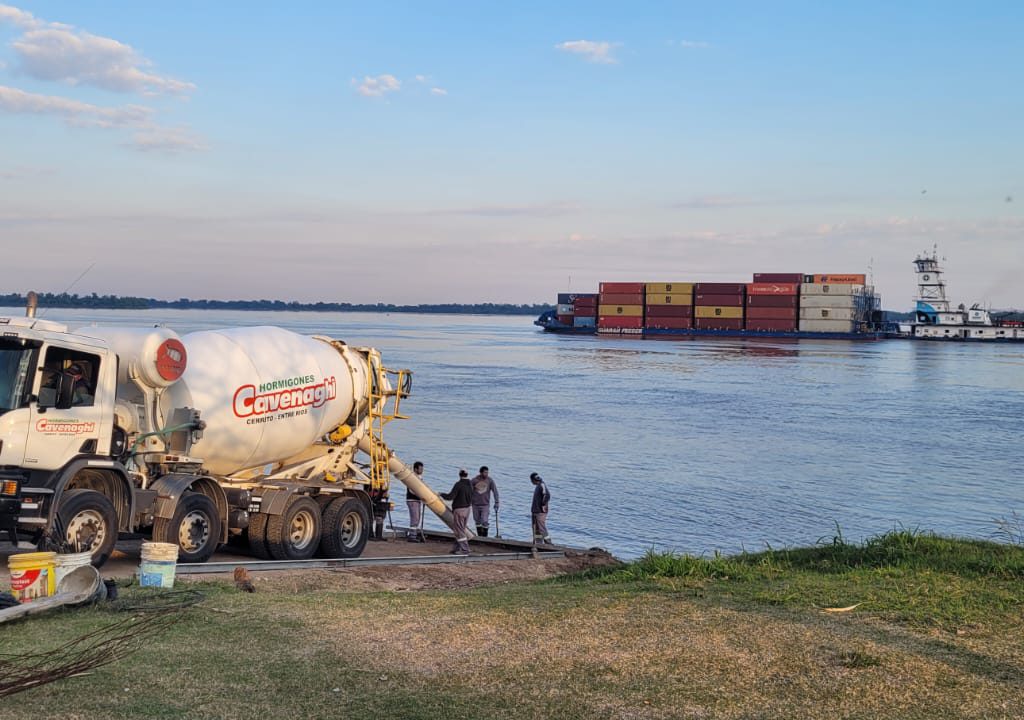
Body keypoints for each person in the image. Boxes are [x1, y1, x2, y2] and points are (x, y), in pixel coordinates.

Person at [440, 468, 473, 555]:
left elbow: (450, 496)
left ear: (459, 475)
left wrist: (441, 494)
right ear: (467, 474)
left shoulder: (458, 484)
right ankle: (456, 548)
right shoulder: (470, 485)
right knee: (461, 528)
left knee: (459, 530)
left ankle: (465, 549)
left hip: (459, 510)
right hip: (468, 509)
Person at [470, 466, 499, 537]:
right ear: (481, 472)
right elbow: (468, 491)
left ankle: (485, 537)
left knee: (484, 521)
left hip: (485, 505)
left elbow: (495, 491)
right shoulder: (474, 480)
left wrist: (497, 502)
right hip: (475, 504)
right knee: (477, 521)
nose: (486, 474)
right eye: (485, 472)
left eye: (487, 472)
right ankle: (480, 537)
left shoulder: (490, 481)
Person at [406, 461, 426, 543]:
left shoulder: (419, 478)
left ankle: (414, 534)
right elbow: (412, 491)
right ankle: (412, 536)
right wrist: (421, 496)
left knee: (417, 518)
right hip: (412, 500)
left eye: (422, 469)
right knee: (415, 518)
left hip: (417, 500)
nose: (421, 470)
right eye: (420, 469)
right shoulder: (413, 478)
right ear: (415, 469)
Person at [530, 472, 551, 545]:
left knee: (541, 527)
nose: (531, 482)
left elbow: (547, 495)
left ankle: (548, 543)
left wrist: (543, 504)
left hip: (540, 511)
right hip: (535, 511)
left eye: (531, 480)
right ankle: (539, 543)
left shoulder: (542, 485)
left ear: (533, 480)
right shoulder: (538, 486)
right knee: (536, 529)